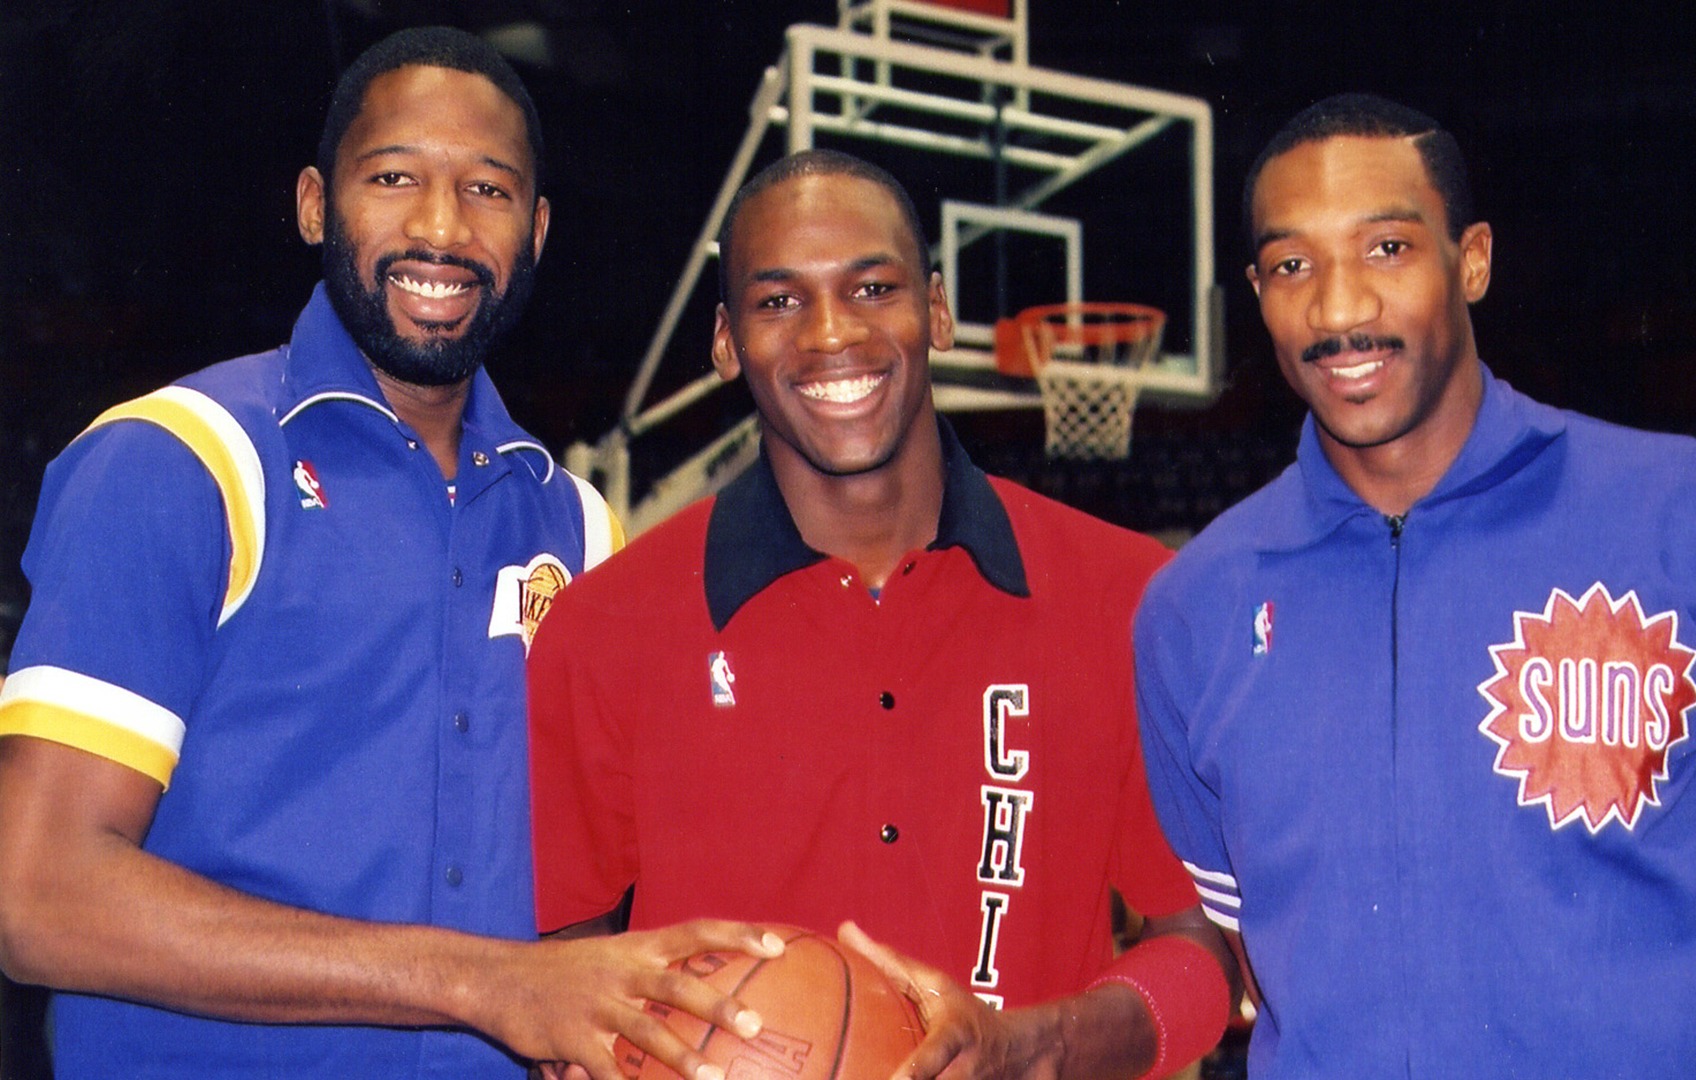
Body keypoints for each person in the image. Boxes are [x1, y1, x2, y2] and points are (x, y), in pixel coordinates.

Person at [0, 27, 779, 1080]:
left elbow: (579, 915)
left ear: (537, 229)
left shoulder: (584, 531)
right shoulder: (181, 461)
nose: (441, 228)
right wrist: (481, 981)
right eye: (396, 177)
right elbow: (39, 895)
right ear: (317, 203)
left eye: (490, 190)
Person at [1132, 93, 1696, 1080]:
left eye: (1387, 250)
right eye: (1292, 266)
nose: (1339, 309)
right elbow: (1269, 962)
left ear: (1472, 260)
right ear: (1256, 290)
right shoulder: (1196, 608)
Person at [527, 149, 1238, 1080]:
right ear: (725, 340)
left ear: (935, 311)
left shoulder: (1127, 598)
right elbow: (560, 968)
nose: (832, 335)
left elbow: (1202, 956)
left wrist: (1033, 1046)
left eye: (872, 287)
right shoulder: (603, 629)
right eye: (779, 301)